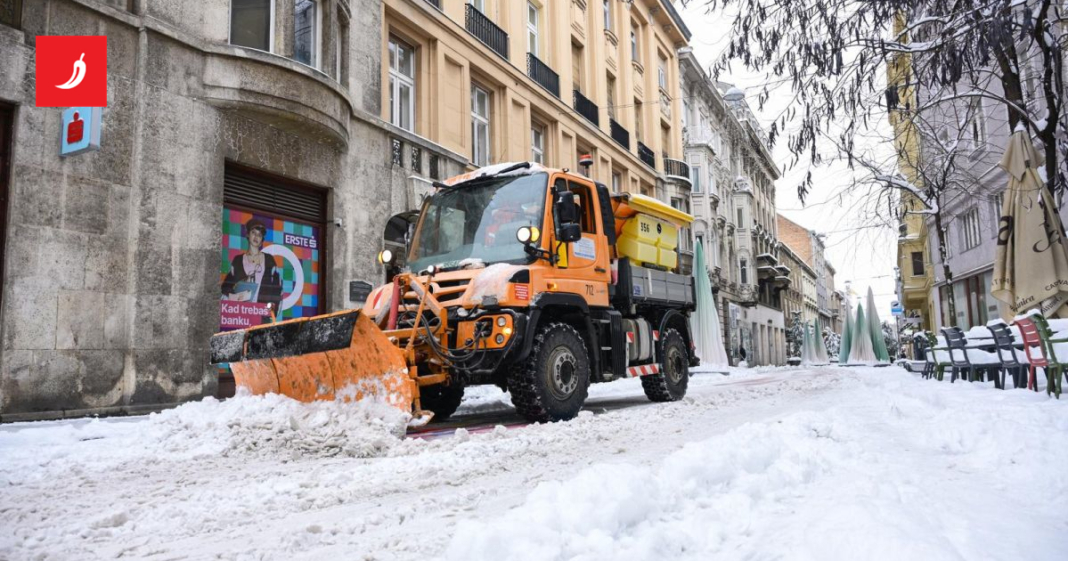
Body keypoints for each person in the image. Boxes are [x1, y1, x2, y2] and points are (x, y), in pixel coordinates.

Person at [222, 218, 283, 312]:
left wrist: (271, 312)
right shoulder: (237, 260)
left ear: (262, 239)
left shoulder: (269, 260)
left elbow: (277, 289)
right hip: (241, 315)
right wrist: (235, 298)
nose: (256, 237)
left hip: (262, 313)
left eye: (259, 235)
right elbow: (225, 289)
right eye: (253, 232)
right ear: (248, 234)